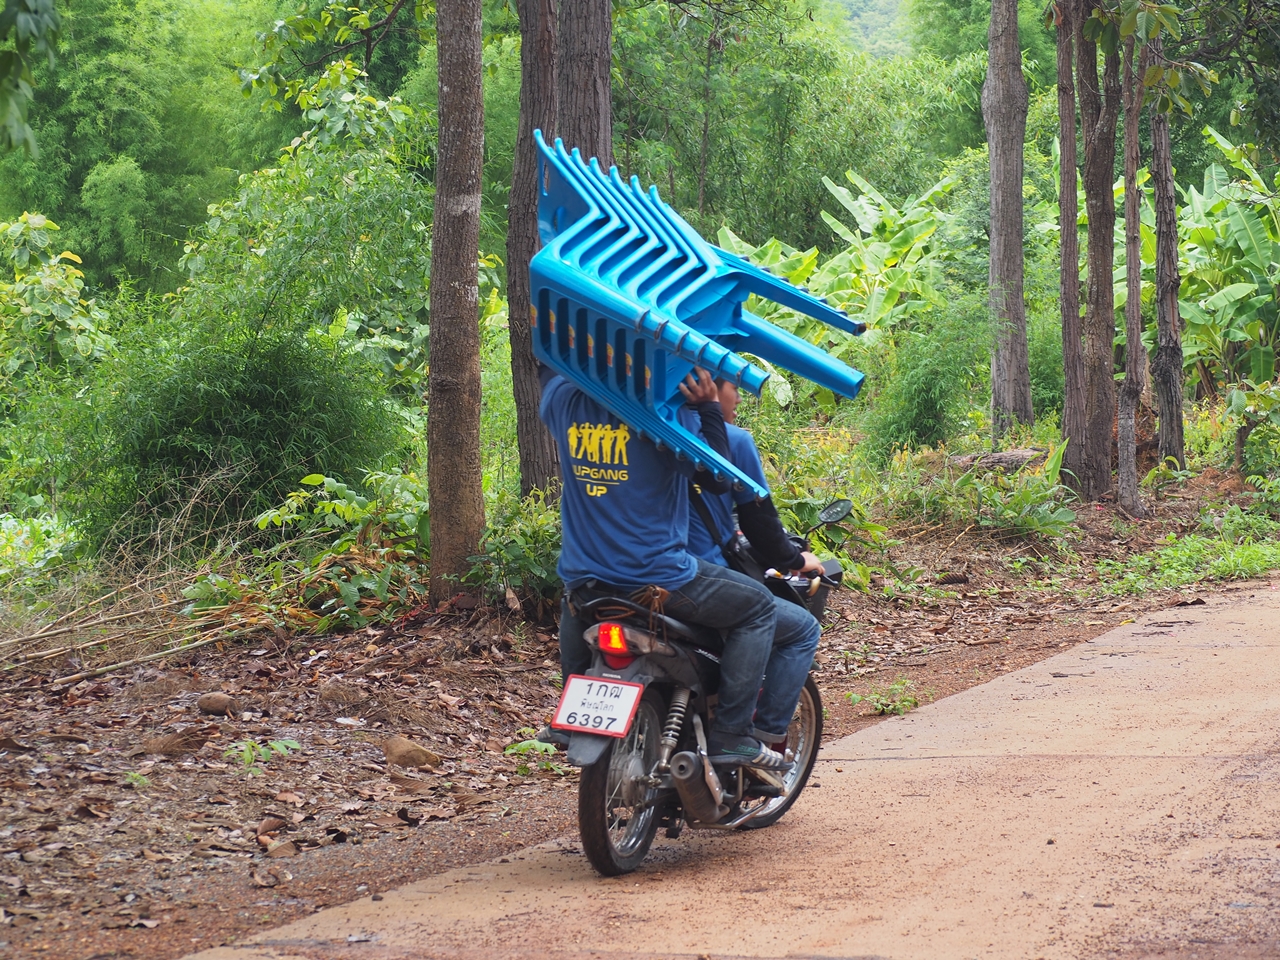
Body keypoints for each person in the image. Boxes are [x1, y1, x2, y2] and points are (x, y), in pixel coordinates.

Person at [538, 363, 791, 770]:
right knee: (759, 607)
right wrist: (707, 407)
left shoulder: (566, 401)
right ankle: (730, 734)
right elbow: (717, 479)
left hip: (586, 583)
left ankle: (568, 720)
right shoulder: (664, 418)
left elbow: (546, 368)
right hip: (659, 580)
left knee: (575, 594)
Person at [686, 378, 824, 749]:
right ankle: (759, 740)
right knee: (801, 630)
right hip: (693, 576)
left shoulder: (645, 430)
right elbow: (758, 521)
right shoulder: (733, 440)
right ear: (709, 387)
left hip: (622, 573)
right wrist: (796, 559)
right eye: (735, 386)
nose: (740, 397)